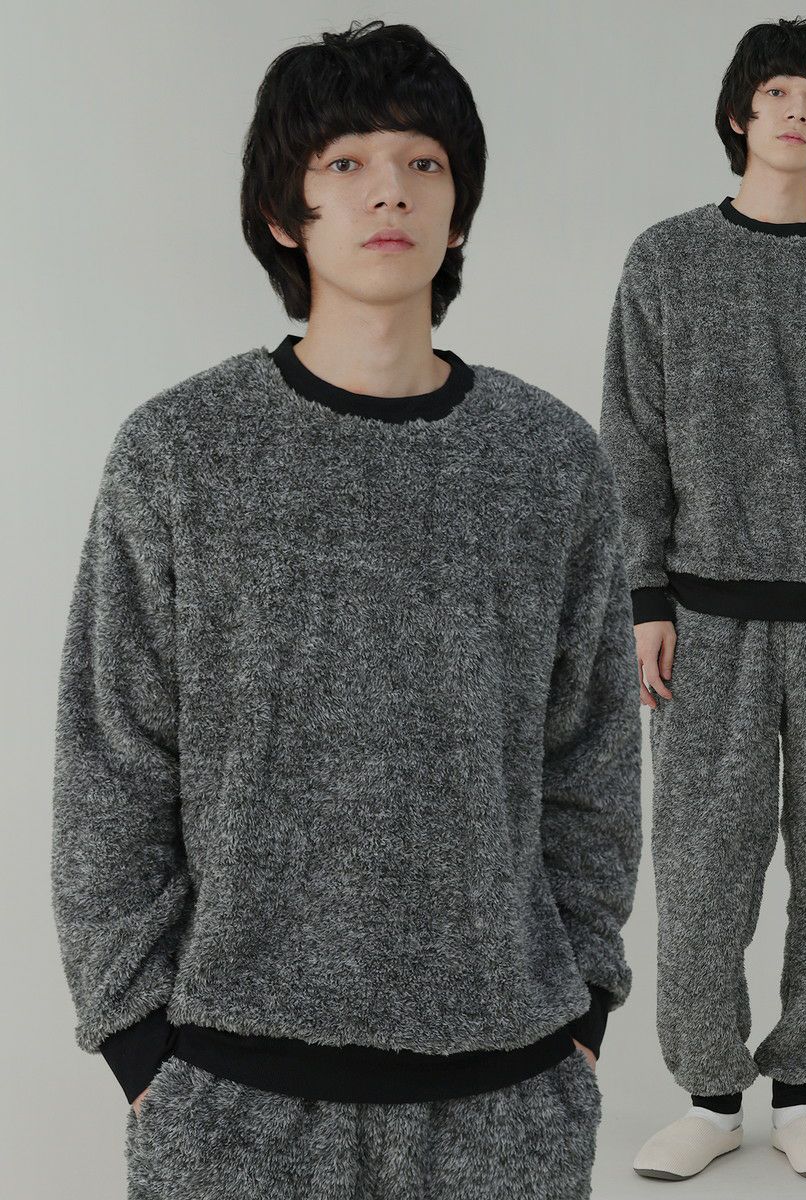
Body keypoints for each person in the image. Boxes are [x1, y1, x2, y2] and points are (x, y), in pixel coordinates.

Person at [50, 20, 642, 1199]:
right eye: (346, 161)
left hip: (506, 1095)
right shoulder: (181, 453)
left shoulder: (549, 460)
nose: (391, 190)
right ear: (287, 212)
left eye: (424, 162)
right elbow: (111, 757)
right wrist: (138, 1042)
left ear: (459, 211)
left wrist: (585, 1011)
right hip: (232, 1103)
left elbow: (592, 753)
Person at [599, 15, 806, 1183]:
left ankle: (801, 1093)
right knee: (701, 869)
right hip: (707, 619)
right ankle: (709, 1096)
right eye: (779, 93)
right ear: (739, 113)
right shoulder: (666, 260)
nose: (797, 113)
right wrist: (643, 595)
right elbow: (632, 439)